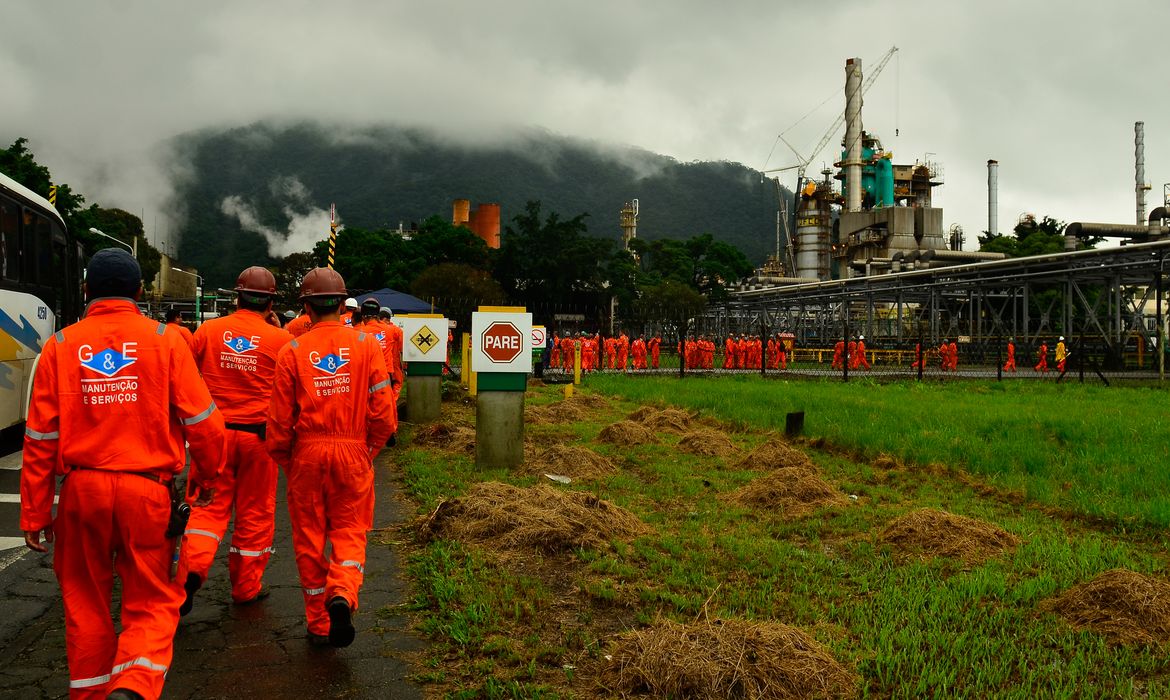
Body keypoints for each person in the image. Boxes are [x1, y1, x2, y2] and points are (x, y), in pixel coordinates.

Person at [21, 249, 226, 700]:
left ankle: (92, 693)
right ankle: (133, 685)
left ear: (86, 291)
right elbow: (204, 423)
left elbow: (39, 439)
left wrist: (35, 512)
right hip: (148, 494)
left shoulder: (58, 346)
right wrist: (208, 476)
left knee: (84, 604)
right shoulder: (167, 341)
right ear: (138, 293)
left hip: (80, 492)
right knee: (153, 601)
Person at [266, 268, 396, 648]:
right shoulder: (367, 346)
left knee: (308, 538)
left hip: (306, 452)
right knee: (350, 531)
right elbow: (384, 414)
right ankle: (342, 593)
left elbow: (278, 421)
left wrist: (289, 460)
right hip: (353, 450)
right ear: (343, 305)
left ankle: (319, 624)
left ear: (305, 306)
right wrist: (367, 452)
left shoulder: (290, 351)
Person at [183, 266, 293, 616]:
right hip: (259, 441)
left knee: (205, 511)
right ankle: (246, 587)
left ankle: (190, 574)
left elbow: (186, 378)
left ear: (237, 296)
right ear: (271, 302)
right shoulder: (282, 341)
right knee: (255, 515)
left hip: (212, 437)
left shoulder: (208, 331)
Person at [359, 300, 404, 402]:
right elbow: (401, 339)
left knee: (368, 400)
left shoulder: (361, 332)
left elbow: (359, 350)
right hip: (385, 371)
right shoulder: (391, 329)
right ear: (377, 316)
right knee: (384, 400)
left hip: (368, 372)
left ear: (363, 317)